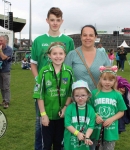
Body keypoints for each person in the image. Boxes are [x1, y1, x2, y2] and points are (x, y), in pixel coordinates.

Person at [31, 7, 75, 150]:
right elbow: (33, 64)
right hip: (45, 93)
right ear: (47, 21)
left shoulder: (68, 41)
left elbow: (70, 63)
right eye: (52, 20)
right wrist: (40, 82)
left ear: (61, 21)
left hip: (63, 90)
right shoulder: (39, 40)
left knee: (61, 126)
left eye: (57, 20)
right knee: (41, 124)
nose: (55, 23)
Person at [34, 42, 74, 150]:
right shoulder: (44, 71)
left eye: (61, 53)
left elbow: (71, 91)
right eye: (54, 53)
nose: (58, 56)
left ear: (65, 55)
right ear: (49, 55)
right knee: (46, 145)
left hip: (62, 116)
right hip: (47, 116)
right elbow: (39, 94)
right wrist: (43, 114)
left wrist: (66, 107)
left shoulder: (69, 71)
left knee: (59, 144)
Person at [90, 66, 127, 150]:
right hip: (96, 130)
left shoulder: (117, 95)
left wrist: (111, 119)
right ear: (100, 79)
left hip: (111, 130)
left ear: (115, 81)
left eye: (111, 80)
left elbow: (121, 111)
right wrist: (96, 116)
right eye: (105, 79)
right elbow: (90, 109)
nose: (107, 82)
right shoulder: (94, 93)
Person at [65, 25, 110, 91]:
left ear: (95, 37)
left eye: (91, 35)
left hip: (98, 98)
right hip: (78, 99)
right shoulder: (72, 55)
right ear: (81, 37)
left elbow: (110, 77)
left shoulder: (102, 55)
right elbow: (65, 79)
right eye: (85, 35)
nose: (87, 38)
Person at [64, 80, 95, 150]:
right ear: (73, 96)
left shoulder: (91, 110)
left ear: (88, 95)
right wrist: (77, 133)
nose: (80, 98)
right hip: (70, 144)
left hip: (83, 143)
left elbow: (91, 126)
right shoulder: (70, 108)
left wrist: (87, 137)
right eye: (77, 96)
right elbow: (67, 124)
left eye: (83, 95)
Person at [0, 35, 12, 109]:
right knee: (1, 87)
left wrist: (0, 51)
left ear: (5, 41)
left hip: (5, 70)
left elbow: (4, 57)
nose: (0, 42)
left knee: (6, 87)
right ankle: (4, 100)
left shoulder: (9, 49)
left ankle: (7, 101)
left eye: (1, 41)